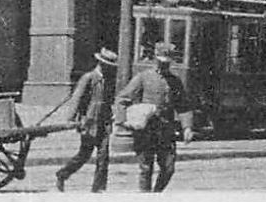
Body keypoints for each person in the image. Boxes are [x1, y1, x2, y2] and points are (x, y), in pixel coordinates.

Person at [115, 41, 189, 193]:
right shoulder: (143, 77)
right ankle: (146, 200)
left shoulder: (175, 82)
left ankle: (156, 193)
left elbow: (184, 106)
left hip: (166, 131)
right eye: (162, 62)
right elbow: (122, 98)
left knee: (169, 168)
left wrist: (187, 127)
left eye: (167, 62)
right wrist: (123, 121)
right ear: (156, 58)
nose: (164, 65)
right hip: (146, 131)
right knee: (146, 168)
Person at [55, 46, 118, 192]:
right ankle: (62, 174)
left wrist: (111, 115)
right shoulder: (89, 78)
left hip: (104, 123)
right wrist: (71, 118)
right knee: (84, 155)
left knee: (103, 157)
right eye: (107, 66)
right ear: (101, 64)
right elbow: (77, 98)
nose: (110, 69)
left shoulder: (108, 80)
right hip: (89, 123)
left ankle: (98, 189)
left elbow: (108, 100)